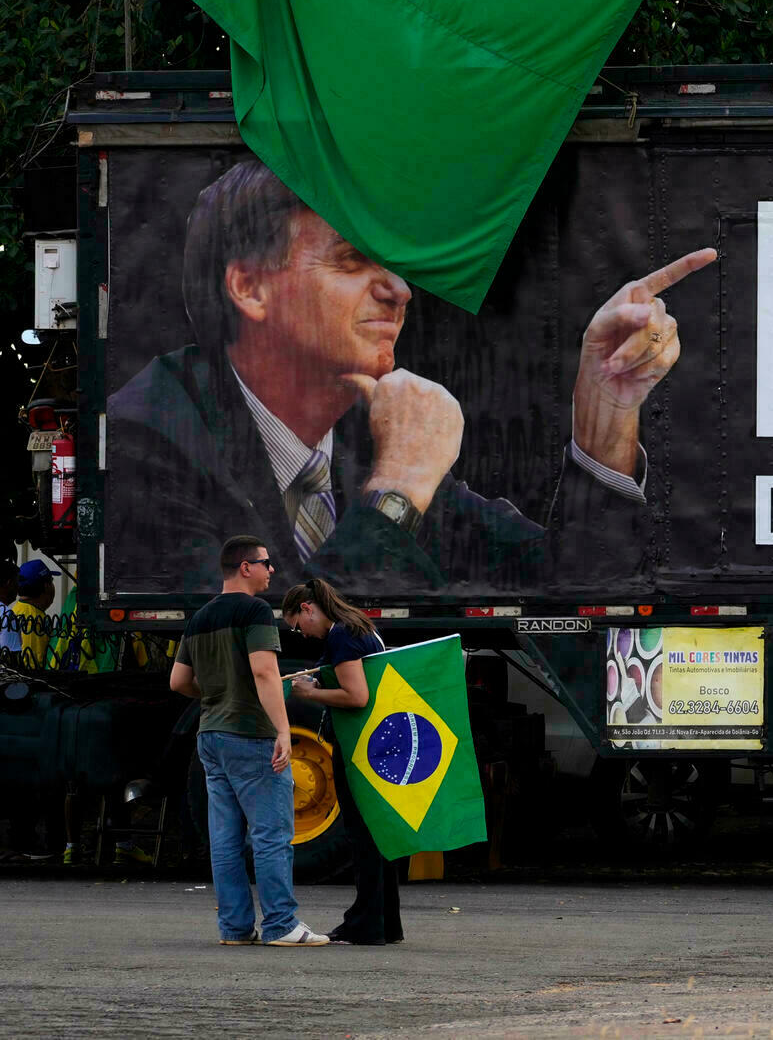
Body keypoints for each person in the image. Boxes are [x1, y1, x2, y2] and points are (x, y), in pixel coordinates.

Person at [105, 158, 714, 596]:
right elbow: (274, 653)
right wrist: (397, 486)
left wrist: (603, 414)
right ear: (249, 287)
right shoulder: (147, 432)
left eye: (396, 264)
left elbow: (575, 588)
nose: (398, 290)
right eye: (351, 259)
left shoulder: (367, 434)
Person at [170, 535, 327, 946]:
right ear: (245, 567)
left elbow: (178, 681)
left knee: (224, 840)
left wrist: (219, 693)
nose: (271, 570)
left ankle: (235, 929)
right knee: (271, 834)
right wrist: (281, 731)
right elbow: (264, 674)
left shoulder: (201, 617)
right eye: (266, 563)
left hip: (211, 735)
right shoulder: (255, 611)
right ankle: (281, 925)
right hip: (250, 734)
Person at [281, 578, 401, 945]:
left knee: (362, 836)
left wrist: (311, 693)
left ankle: (365, 924)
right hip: (377, 742)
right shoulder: (359, 626)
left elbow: (356, 695)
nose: (302, 634)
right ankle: (385, 923)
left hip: (357, 746)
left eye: (299, 626)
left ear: (307, 608)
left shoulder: (341, 635)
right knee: (378, 835)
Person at [5, 559, 58, 668]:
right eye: (51, 581)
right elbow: (32, 667)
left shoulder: (17, 610)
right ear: (47, 586)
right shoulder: (33, 620)